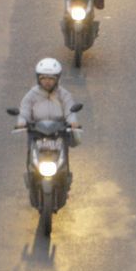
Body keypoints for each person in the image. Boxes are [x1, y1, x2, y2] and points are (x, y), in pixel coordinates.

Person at [17, 58, 80, 204]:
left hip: (58, 131)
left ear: (57, 79)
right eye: (43, 78)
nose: (47, 81)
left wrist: (73, 121)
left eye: (51, 78)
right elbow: (24, 109)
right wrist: (22, 122)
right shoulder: (32, 94)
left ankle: (65, 176)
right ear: (38, 78)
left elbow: (70, 110)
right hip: (37, 131)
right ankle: (31, 176)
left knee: (64, 153)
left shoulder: (63, 94)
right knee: (32, 155)